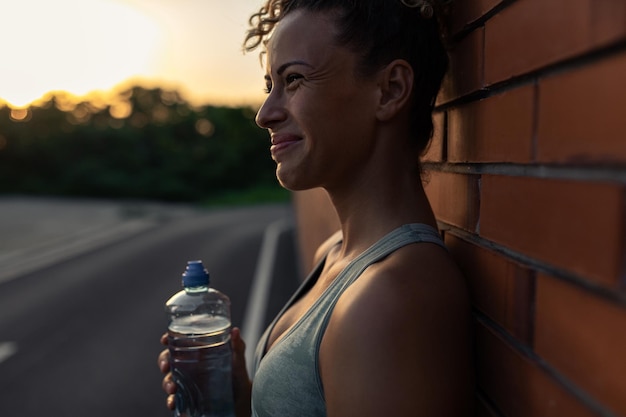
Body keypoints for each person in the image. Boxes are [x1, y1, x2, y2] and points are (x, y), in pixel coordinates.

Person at [159, 0, 474, 415]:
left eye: (293, 80)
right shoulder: (337, 251)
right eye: (269, 85)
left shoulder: (390, 298)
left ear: (390, 90)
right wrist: (241, 400)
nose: (264, 114)